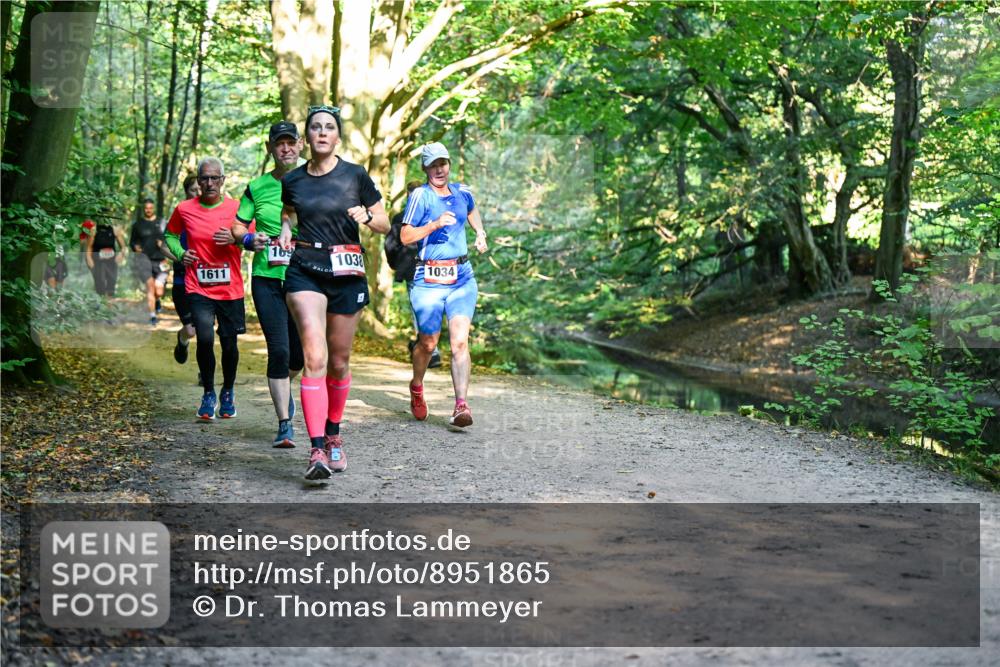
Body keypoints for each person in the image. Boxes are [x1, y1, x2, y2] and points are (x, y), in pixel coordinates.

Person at [277, 105, 389, 480]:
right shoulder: (292, 180)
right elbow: (289, 212)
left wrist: (367, 217)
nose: (322, 133)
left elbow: (386, 224)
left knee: (338, 362)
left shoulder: (355, 175)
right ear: (306, 137)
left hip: (347, 273)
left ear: (338, 136)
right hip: (305, 270)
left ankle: (334, 433)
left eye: (329, 127)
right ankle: (316, 450)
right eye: (315, 127)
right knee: (315, 356)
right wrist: (287, 229)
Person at [400, 142, 488, 427]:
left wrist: (480, 232)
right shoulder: (420, 197)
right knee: (428, 344)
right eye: (433, 164)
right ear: (425, 168)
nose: (439, 169)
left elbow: (472, 210)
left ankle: (461, 405)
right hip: (428, 279)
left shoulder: (462, 192)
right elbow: (405, 236)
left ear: (449, 165)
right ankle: (417, 386)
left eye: (443, 163)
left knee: (460, 341)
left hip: (462, 276)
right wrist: (434, 224)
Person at [229, 121, 305, 448]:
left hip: (305, 279)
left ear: (301, 145)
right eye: (279, 144)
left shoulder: (315, 180)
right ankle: (284, 423)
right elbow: (236, 226)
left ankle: (284, 388)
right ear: (270, 149)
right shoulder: (257, 186)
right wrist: (248, 238)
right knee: (279, 349)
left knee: (299, 358)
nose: (286, 149)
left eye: (291, 143)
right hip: (267, 278)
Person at [164, 158, 244, 420]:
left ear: (222, 180)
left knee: (230, 344)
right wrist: (180, 253)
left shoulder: (236, 208)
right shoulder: (184, 208)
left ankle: (228, 391)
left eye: (214, 178)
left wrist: (236, 237)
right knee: (206, 339)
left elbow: (252, 238)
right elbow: (170, 236)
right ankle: (209, 392)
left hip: (230, 289)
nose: (209, 183)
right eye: (204, 178)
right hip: (197, 287)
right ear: (198, 181)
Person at [386, 180, 442, 369]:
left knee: (424, 308)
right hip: (415, 269)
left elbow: (390, 246)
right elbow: (391, 245)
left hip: (430, 268)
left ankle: (430, 349)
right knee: (423, 308)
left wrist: (395, 264)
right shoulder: (403, 218)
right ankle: (429, 349)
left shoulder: (408, 217)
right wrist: (396, 265)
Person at [167, 176, 200, 367]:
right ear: (186, 192)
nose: (198, 193)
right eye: (193, 190)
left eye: (200, 189)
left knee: (205, 330)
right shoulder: (180, 213)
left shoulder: (210, 213)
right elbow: (164, 245)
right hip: (182, 282)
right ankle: (182, 339)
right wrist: (181, 256)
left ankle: (205, 373)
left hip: (205, 282)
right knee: (191, 330)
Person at [130, 198, 168, 324]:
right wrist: (135, 247)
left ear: (154, 208)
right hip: (144, 260)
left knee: (159, 290)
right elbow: (132, 241)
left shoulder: (162, 222)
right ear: (143, 209)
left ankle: (157, 300)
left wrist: (163, 245)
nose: (148, 210)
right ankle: (152, 316)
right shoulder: (137, 225)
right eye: (146, 208)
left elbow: (170, 240)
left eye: (150, 208)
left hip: (160, 260)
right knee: (150, 287)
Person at [85, 217, 126, 298]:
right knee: (100, 285)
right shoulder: (94, 230)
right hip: (98, 262)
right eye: (102, 216)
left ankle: (108, 307)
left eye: (106, 217)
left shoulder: (115, 229)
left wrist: (121, 254)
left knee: (111, 286)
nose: (104, 219)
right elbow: (89, 247)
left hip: (111, 262)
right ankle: (100, 306)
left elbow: (123, 247)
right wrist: (89, 260)